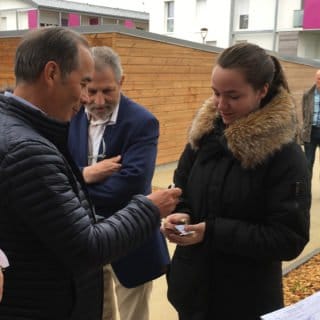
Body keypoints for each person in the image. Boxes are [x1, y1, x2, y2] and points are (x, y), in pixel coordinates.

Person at [0, 26, 181, 319]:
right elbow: (87, 247)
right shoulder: (29, 149)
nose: (88, 99)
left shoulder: (22, 127)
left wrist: (75, 183)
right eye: (84, 84)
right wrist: (149, 207)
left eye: (102, 89)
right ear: (52, 73)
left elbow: (128, 183)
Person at [162, 42, 311, 320]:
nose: (221, 105)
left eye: (233, 96)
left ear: (262, 91)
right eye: (216, 93)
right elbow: (181, 184)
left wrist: (212, 232)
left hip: (244, 300)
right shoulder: (204, 134)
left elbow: (289, 239)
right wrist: (181, 212)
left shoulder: (285, 155)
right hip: (192, 293)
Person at [68, 46, 170, 320]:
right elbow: (60, 171)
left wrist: (74, 187)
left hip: (132, 242)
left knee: (133, 316)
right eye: (91, 91)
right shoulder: (71, 116)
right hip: (88, 240)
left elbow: (131, 185)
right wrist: (87, 174)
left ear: (121, 82)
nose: (99, 101)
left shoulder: (142, 122)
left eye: (108, 90)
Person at [301, 69, 320, 177]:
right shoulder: (307, 94)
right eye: (319, 78)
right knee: (308, 163)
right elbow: (304, 113)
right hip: (311, 132)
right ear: (315, 79)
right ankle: (307, 191)